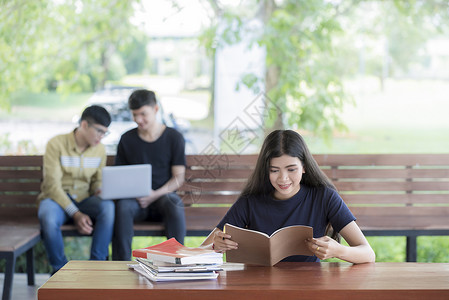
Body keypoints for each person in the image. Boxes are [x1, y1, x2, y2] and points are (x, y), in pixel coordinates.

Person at [201, 130, 375, 264]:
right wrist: (216, 246)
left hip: (308, 288)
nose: (283, 178)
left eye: (291, 169)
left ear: (304, 167)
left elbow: (368, 254)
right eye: (274, 170)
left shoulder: (324, 197)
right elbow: (201, 251)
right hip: (258, 287)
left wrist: (338, 251)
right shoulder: (250, 201)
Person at [38, 105, 114, 274]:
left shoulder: (100, 150)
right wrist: (76, 214)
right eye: (99, 131)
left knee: (108, 207)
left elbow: (96, 181)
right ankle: (60, 272)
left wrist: (99, 189)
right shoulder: (56, 144)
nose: (101, 137)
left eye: (105, 133)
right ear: (85, 125)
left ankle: (96, 269)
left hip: (85, 200)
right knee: (48, 217)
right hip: (56, 200)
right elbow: (52, 186)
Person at [112, 89, 186, 261]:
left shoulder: (174, 138)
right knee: (122, 207)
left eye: (143, 114)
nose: (139, 120)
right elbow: (119, 176)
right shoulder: (127, 139)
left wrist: (154, 195)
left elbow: (178, 177)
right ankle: (120, 264)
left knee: (174, 202)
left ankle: (178, 260)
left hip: (162, 198)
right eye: (134, 115)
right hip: (134, 201)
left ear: (156, 110)